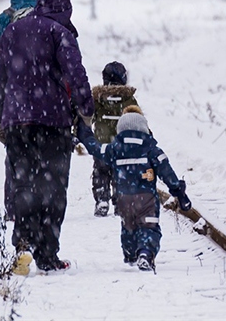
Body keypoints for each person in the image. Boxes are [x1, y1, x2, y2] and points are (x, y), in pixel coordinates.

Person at [0, 0, 95, 275]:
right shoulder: (61, 33)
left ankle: (23, 245)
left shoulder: (14, 30)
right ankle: (47, 254)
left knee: (23, 182)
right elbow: (76, 73)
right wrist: (86, 108)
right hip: (54, 123)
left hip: (18, 123)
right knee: (53, 188)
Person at [75, 108, 192, 272]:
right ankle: (145, 253)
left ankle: (130, 254)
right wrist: (178, 190)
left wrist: (84, 134)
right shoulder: (151, 149)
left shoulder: (115, 148)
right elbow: (167, 172)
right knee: (148, 227)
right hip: (147, 198)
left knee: (128, 226)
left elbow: (96, 149)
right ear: (144, 127)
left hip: (124, 198)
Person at [0, 0, 45, 222]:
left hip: (13, 104)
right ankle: (42, 207)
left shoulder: (4, 22)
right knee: (44, 156)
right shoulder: (48, 21)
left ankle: (14, 207)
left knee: (16, 156)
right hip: (45, 104)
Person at [90, 61, 139, 217]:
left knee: (100, 173)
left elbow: (88, 116)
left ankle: (101, 200)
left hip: (101, 146)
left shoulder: (97, 99)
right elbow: (137, 119)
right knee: (121, 173)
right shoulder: (128, 100)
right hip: (122, 146)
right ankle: (120, 202)